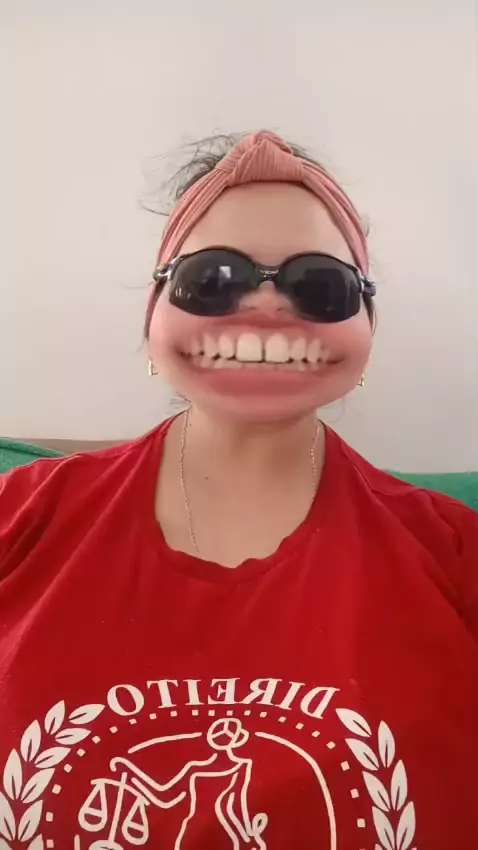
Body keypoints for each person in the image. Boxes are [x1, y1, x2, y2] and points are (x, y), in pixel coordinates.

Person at [0, 130, 476, 850]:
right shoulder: (20, 515)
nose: (265, 305)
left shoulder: (454, 550)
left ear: (367, 325)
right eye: (212, 278)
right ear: (153, 316)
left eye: (320, 285)